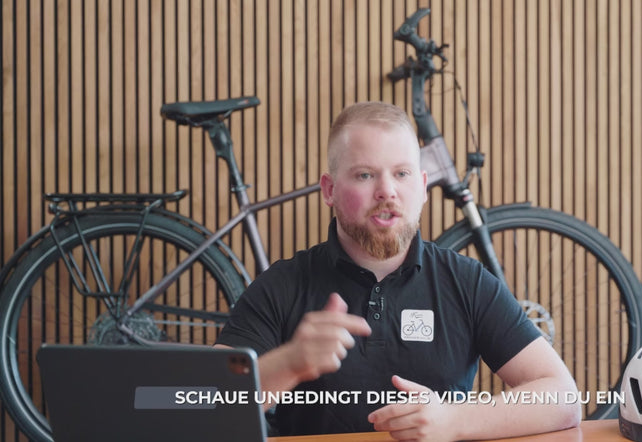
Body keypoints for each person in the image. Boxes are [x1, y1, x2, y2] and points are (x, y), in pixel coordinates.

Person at [215, 101, 581, 441]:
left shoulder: (467, 282)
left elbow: (562, 397)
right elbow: (199, 407)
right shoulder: (280, 286)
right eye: (365, 175)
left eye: (402, 173)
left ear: (422, 187)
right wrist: (289, 364)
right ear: (329, 190)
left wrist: (454, 419)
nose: (387, 191)